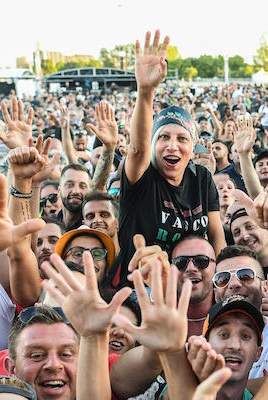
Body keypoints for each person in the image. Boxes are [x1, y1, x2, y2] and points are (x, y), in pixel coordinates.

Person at [113, 30, 225, 289]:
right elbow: (137, 149)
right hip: (140, 292)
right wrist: (145, 92)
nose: (172, 146)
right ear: (153, 144)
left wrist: (221, 285)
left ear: (192, 147)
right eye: (163, 137)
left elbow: (218, 238)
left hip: (191, 287)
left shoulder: (202, 178)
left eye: (182, 139)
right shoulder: (142, 177)